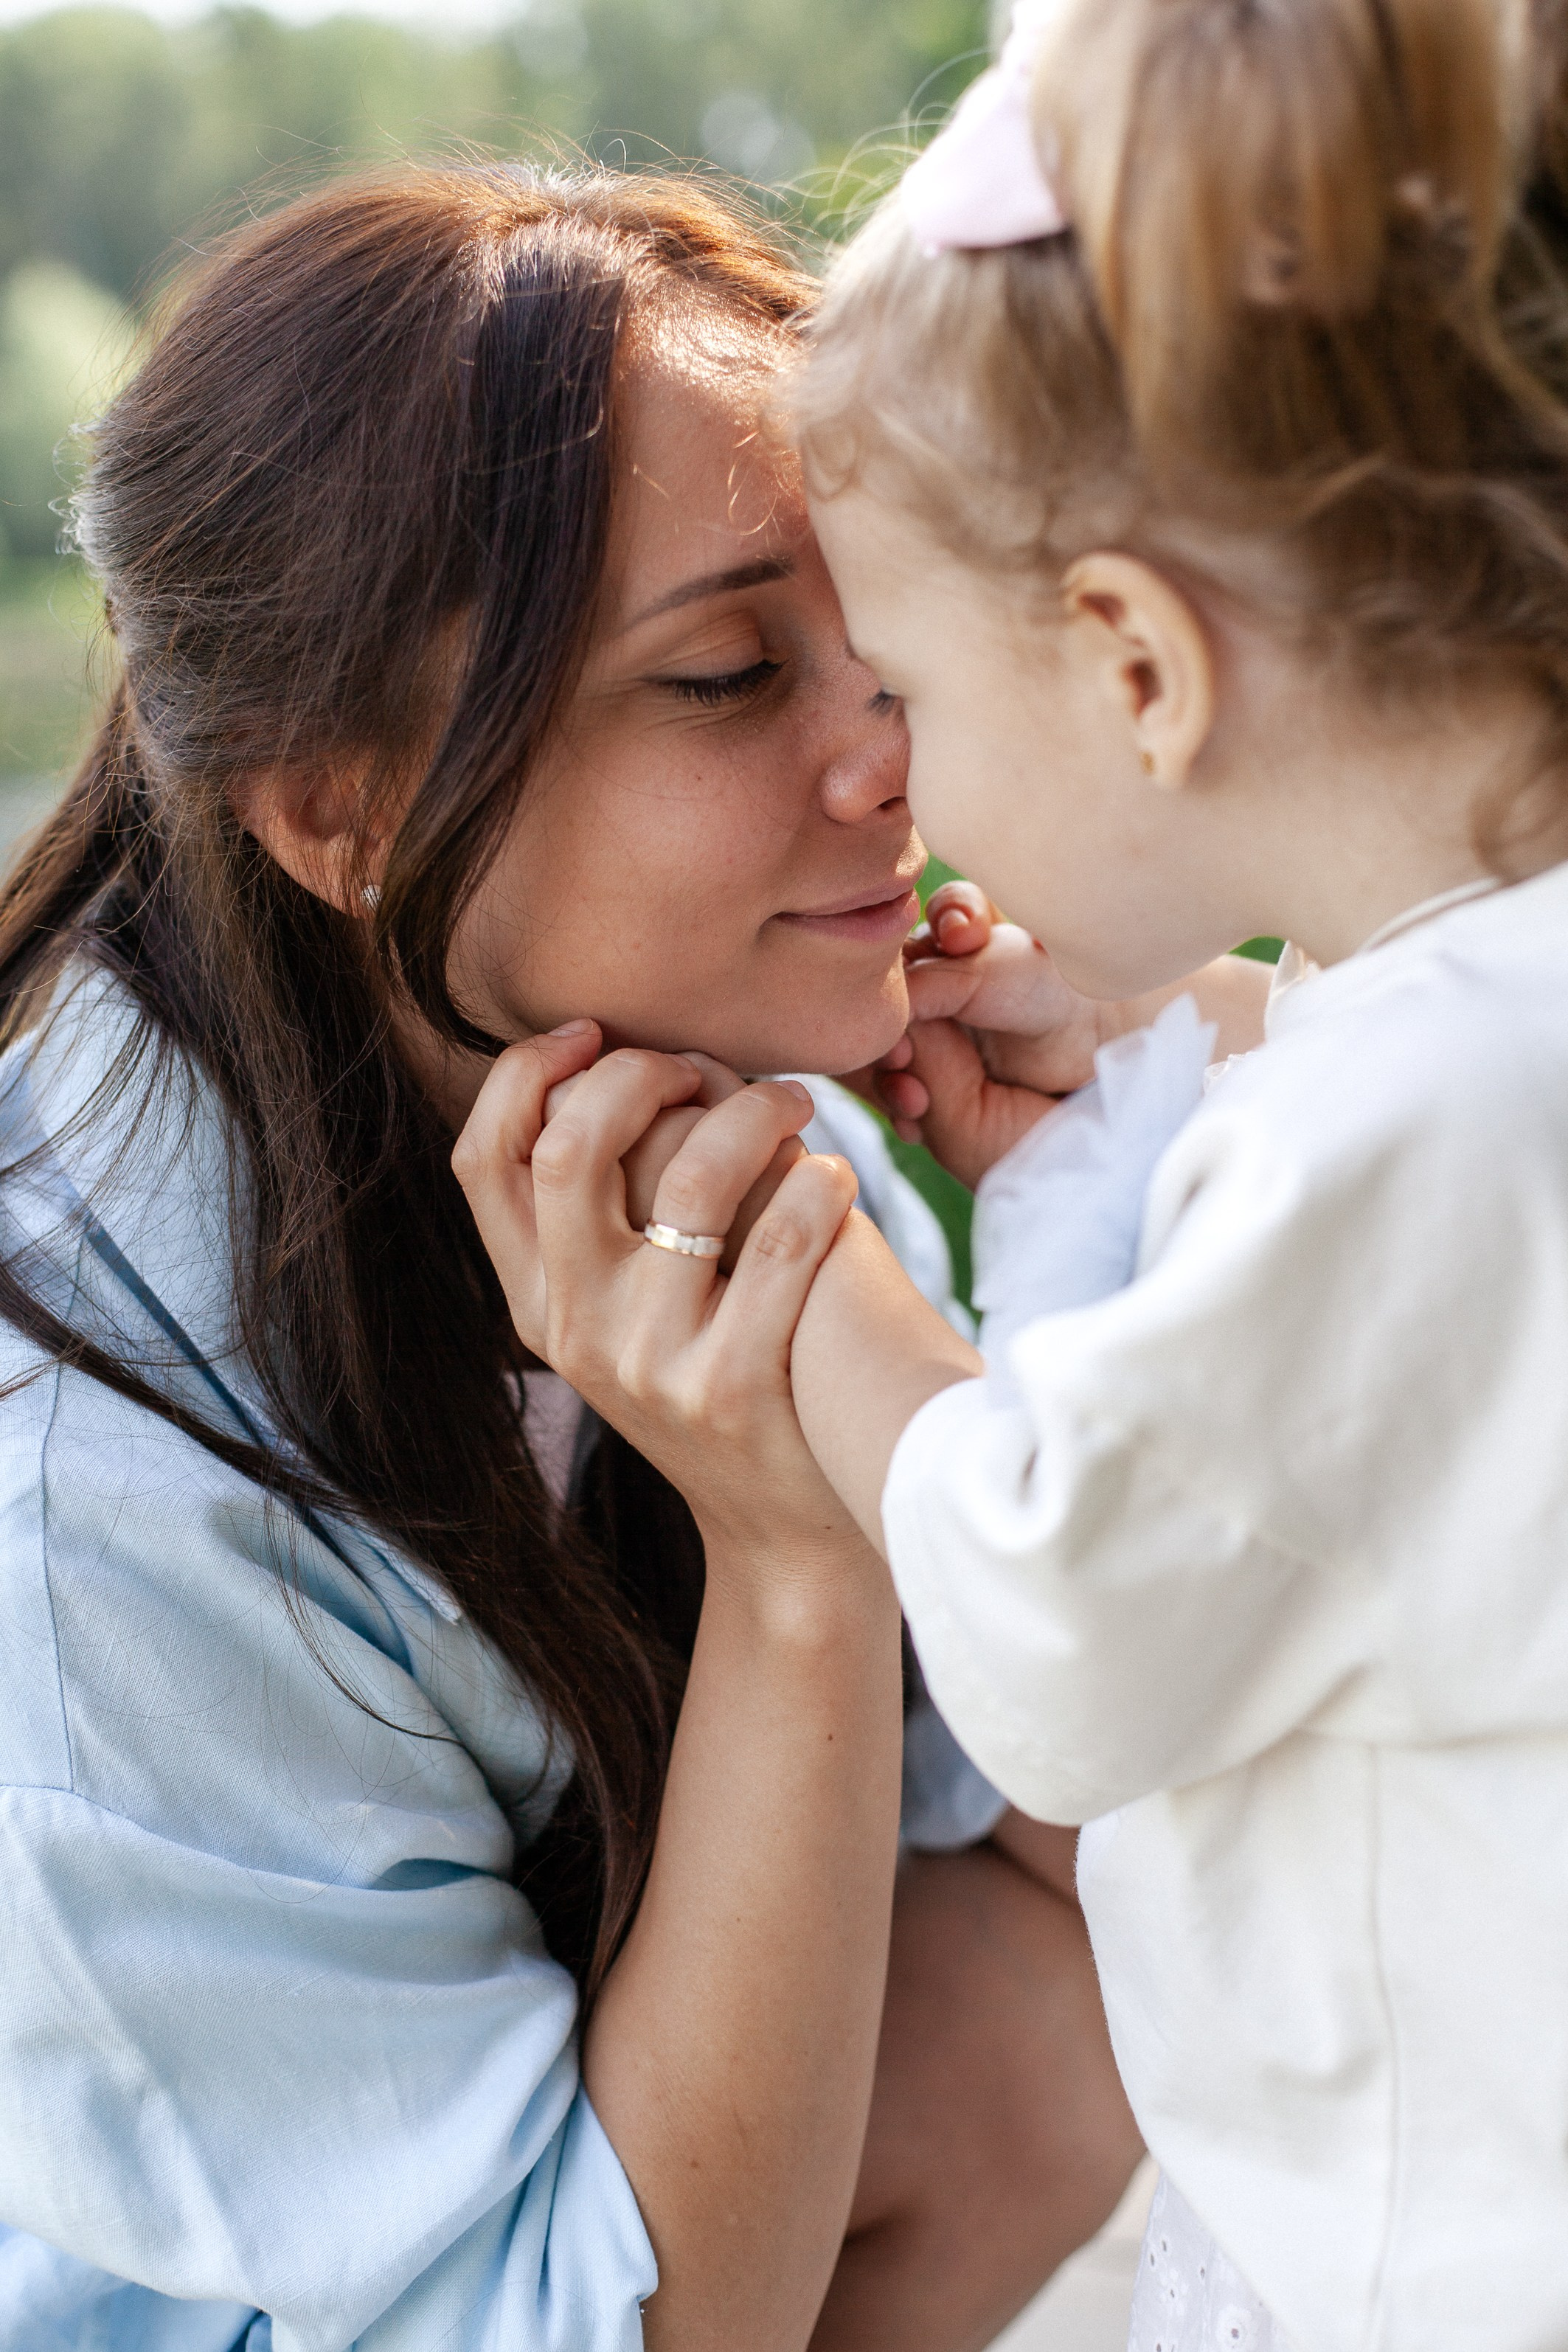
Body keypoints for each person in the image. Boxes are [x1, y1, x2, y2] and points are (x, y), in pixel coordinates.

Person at [459, 4, 1568, 2346]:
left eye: (920, 702)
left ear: (1142, 670)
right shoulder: (1466, 1040)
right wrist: (1160, 1065)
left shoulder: (1410, 1131)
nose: (898, 787)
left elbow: (1067, 1628)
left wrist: (824, 1288)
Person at [0, 161, 1158, 2352]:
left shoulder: (716, 1077)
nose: (892, 751)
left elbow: (1114, 1870)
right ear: (335, 811)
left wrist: (1099, 1213)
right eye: (730, 674)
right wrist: (793, 1568)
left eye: (882, 623)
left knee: (1061, 2015)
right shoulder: (84, 1500)